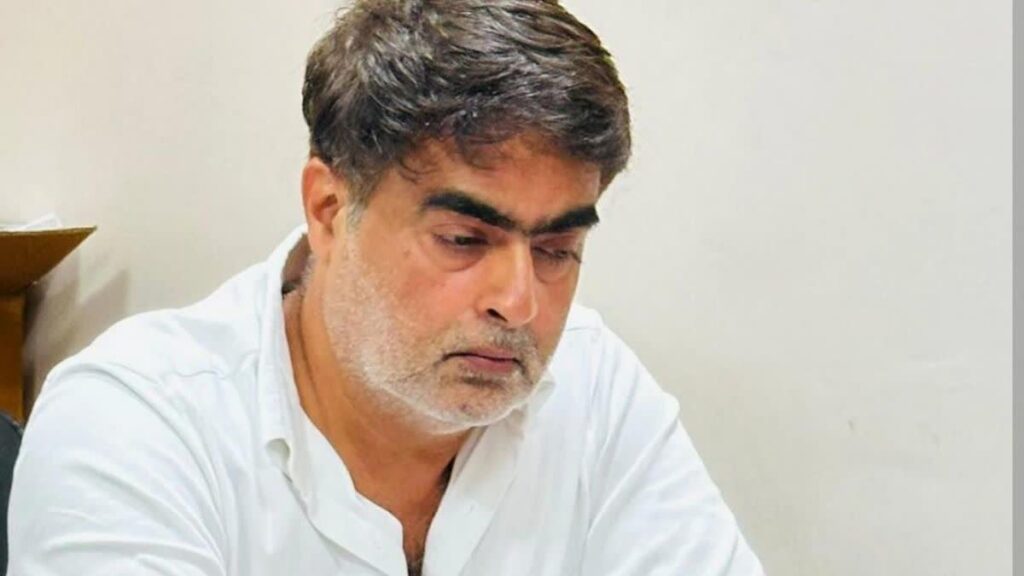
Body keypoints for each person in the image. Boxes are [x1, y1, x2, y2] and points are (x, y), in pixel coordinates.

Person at [7, 1, 764, 574]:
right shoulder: (140, 421)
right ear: (329, 210)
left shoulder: (596, 392)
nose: (519, 302)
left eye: (558, 249)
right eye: (464, 240)